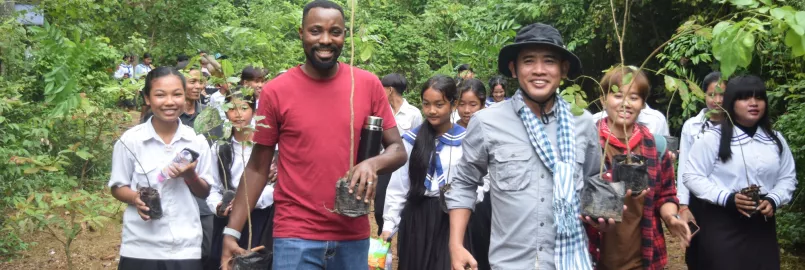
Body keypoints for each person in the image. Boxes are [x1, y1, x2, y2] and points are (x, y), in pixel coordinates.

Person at [220, 1, 407, 269]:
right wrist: (232, 231)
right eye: (316, 31)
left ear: (345, 35)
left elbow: (397, 150)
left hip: (352, 235)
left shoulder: (367, 85)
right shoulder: (276, 91)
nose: (325, 40)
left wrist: (372, 163)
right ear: (301, 33)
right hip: (295, 236)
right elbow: (258, 167)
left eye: (336, 32)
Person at [446, 23, 611, 270]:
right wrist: (456, 245)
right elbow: (464, 183)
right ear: (514, 69)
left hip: (570, 261)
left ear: (563, 69)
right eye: (529, 61)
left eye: (549, 61)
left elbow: (592, 180)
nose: (539, 71)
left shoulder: (583, 123)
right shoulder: (487, 122)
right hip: (510, 263)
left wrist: (602, 215)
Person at [683, 75, 796, 270]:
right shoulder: (712, 139)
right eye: (745, 98)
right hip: (722, 224)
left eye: (759, 98)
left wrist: (774, 199)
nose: (754, 103)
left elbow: (787, 177)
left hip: (762, 227)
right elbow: (692, 176)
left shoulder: (775, 140)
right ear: (731, 103)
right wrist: (727, 198)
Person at [108, 67, 213, 270]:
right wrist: (134, 198)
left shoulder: (196, 140)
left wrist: (190, 175)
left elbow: (205, 191)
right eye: (160, 95)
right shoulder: (131, 141)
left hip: (185, 245)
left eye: (176, 94)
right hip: (140, 246)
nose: (169, 102)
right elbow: (117, 186)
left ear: (185, 96)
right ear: (147, 98)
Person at [586, 66, 690, 270]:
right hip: (594, 257)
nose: (625, 103)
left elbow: (666, 194)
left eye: (634, 97)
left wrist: (671, 217)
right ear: (603, 100)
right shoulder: (587, 143)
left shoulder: (655, 146)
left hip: (643, 259)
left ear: (643, 104)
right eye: (617, 95)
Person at [381, 75, 477, 269]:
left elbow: (479, 181)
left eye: (439, 104)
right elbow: (399, 186)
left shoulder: (466, 140)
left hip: (452, 217)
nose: (431, 111)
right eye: (426, 104)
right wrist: (389, 225)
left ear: (453, 104)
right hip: (417, 218)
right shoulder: (411, 140)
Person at [206, 90, 275, 270]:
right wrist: (218, 206)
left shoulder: (269, 148)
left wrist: (246, 200)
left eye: (244, 108)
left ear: (253, 111)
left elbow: (276, 187)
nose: (238, 114)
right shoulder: (220, 148)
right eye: (232, 109)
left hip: (261, 219)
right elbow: (213, 187)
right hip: (227, 220)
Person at [374, 73, 423, 235]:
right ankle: (384, 242)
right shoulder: (381, 111)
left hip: (404, 168)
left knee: (403, 206)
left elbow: (418, 143)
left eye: (382, 88)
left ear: (389, 90)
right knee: (380, 208)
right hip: (385, 165)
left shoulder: (413, 113)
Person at [676, 71, 724, 226]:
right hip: (698, 199)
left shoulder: (739, 126)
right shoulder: (691, 126)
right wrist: (683, 205)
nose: (717, 100)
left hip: (728, 199)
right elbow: (684, 166)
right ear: (704, 95)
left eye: (722, 95)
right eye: (712, 95)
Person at [454, 78, 492, 270]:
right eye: (462, 104)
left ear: (483, 105)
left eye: (473, 104)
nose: (467, 110)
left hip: (482, 201)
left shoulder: (489, 130)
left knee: (480, 246)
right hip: (456, 199)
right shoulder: (450, 130)